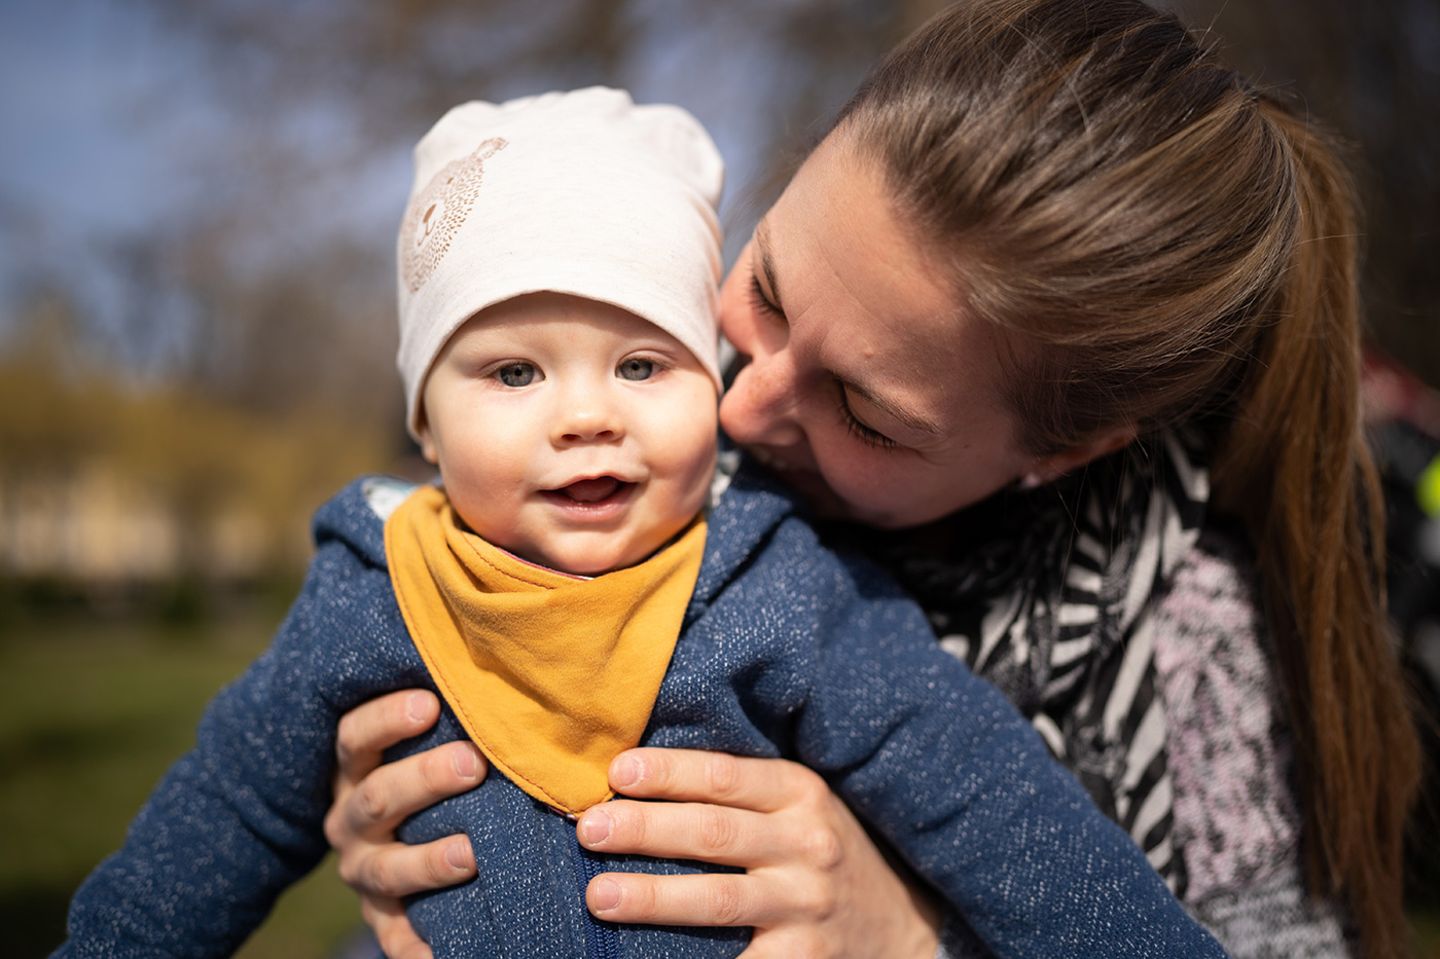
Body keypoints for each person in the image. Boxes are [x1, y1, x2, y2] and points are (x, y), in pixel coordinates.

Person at [324, 2, 1423, 959]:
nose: (744, 403)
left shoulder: (1198, 656)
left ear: (1066, 450)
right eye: (767, 288)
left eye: (863, 409)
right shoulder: (648, 490)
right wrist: (407, 843)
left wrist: (911, 935)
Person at [56, 88, 1224, 958]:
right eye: (512, 373)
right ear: (425, 421)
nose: (585, 416)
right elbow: (222, 815)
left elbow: (983, 789)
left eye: (639, 362)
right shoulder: (376, 584)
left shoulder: (772, 578)